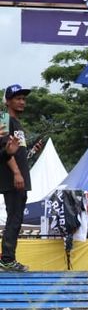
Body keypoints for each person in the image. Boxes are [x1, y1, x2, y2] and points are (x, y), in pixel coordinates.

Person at [0, 85, 35, 272]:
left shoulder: (17, 123)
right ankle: (7, 259)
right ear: (8, 101)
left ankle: (8, 258)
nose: (22, 101)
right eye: (17, 98)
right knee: (14, 218)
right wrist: (16, 172)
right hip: (13, 178)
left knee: (17, 217)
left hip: (20, 177)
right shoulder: (3, 118)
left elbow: (16, 150)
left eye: (23, 98)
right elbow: (5, 149)